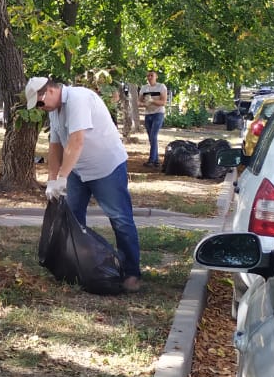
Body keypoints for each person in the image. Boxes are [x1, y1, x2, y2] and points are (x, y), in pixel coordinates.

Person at [25, 76, 142, 293]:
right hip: (79, 172)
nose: (41, 109)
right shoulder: (55, 111)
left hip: (106, 168)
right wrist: (52, 179)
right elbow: (55, 147)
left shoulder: (78, 99)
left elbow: (76, 141)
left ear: (49, 91)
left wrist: (62, 178)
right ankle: (77, 267)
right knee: (72, 218)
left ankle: (131, 273)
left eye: (40, 103)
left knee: (120, 219)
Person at [137, 70, 168, 168]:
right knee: (151, 137)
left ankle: (151, 160)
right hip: (148, 114)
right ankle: (156, 160)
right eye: (148, 76)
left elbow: (163, 102)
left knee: (153, 136)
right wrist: (144, 104)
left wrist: (152, 101)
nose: (149, 77)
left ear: (156, 76)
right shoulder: (144, 88)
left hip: (158, 113)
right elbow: (139, 102)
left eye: (151, 75)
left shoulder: (161, 86)